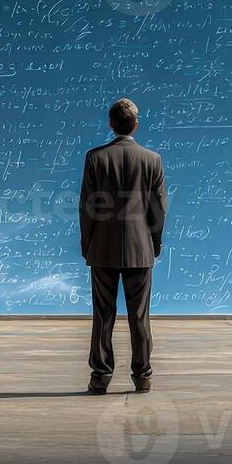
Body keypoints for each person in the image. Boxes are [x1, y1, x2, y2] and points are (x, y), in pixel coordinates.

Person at [79, 98, 167, 394]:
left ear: (111, 125)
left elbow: (87, 207)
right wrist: (153, 244)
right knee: (139, 316)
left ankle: (100, 377)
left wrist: (87, 245)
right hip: (140, 249)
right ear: (136, 125)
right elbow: (158, 209)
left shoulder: (95, 158)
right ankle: (142, 376)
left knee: (103, 315)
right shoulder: (152, 159)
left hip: (102, 249)